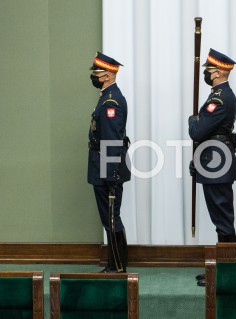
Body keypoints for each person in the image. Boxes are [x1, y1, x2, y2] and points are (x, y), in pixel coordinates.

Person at [189, 48, 236, 286]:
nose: (207, 74)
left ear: (218, 72)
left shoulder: (219, 98)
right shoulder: (219, 95)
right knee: (220, 216)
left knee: (222, 218)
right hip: (214, 159)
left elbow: (198, 131)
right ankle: (225, 268)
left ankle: (228, 273)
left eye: (209, 71)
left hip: (217, 161)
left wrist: (192, 120)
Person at [88, 52, 131, 272]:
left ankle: (117, 266)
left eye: (96, 73)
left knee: (111, 217)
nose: (93, 76)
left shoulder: (112, 100)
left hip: (107, 164)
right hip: (101, 162)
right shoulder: (106, 96)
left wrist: (112, 173)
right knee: (109, 217)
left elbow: (113, 140)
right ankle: (116, 263)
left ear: (107, 75)